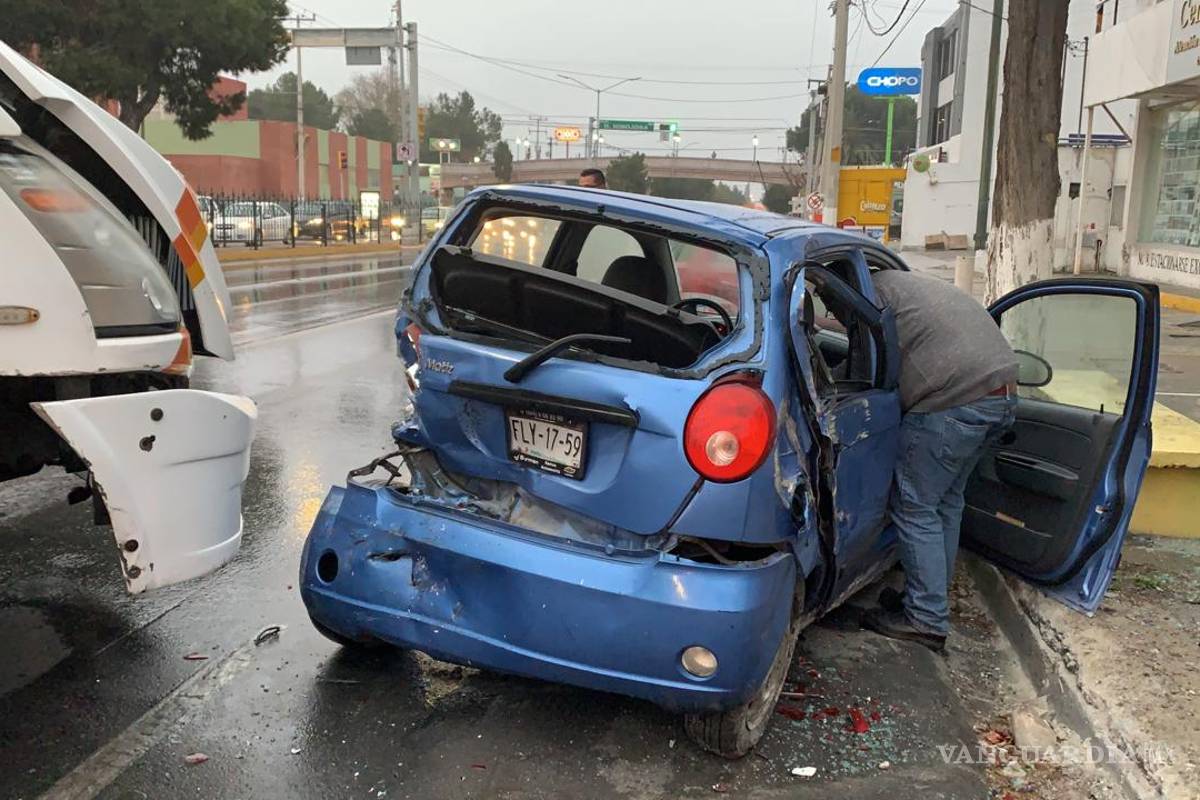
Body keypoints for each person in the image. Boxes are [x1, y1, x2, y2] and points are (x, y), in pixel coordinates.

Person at [861, 270, 1018, 653]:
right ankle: (930, 598)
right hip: (1002, 394)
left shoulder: (871, 295)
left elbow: (868, 364)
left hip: (954, 402)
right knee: (945, 503)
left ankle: (926, 618)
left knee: (914, 506)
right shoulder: (906, 285)